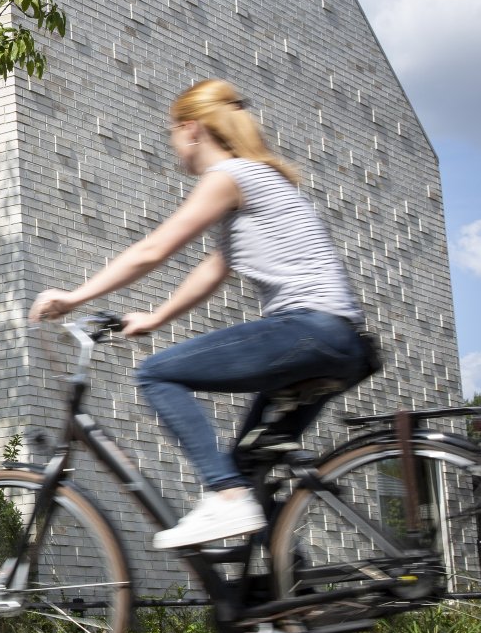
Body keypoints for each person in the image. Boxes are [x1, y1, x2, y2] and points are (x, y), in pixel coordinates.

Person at [33, 79, 369, 549]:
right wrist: (155, 316)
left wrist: (74, 297)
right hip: (342, 341)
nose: (174, 147)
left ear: (191, 130)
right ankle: (293, 595)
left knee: (156, 375)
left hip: (307, 328)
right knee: (248, 466)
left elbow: (153, 250)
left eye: (172, 134)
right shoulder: (260, 180)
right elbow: (215, 269)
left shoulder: (228, 176)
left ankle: (225, 498)